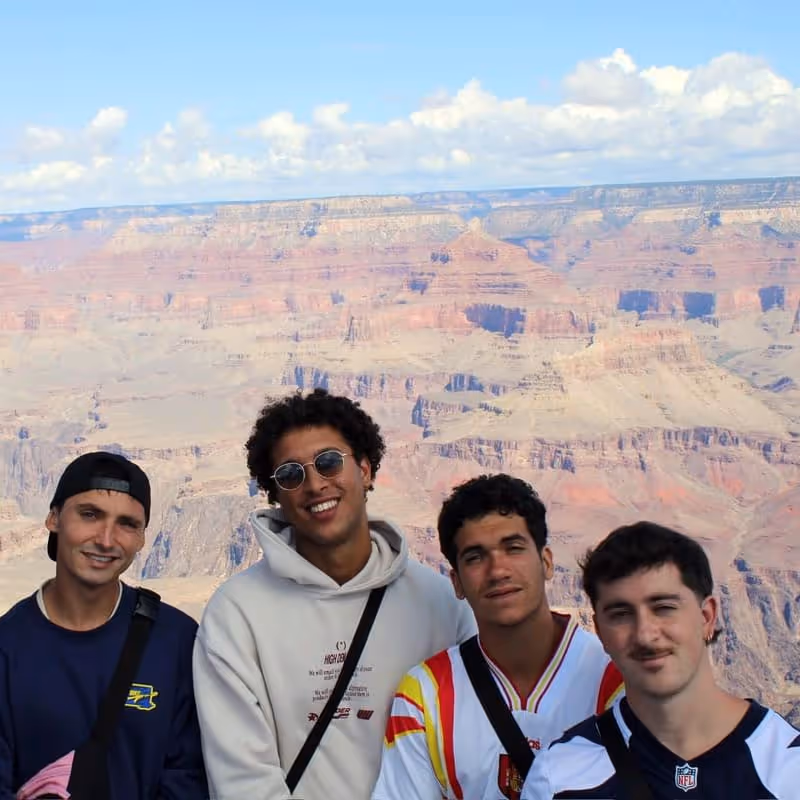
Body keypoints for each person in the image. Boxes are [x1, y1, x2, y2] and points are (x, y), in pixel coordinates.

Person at [193, 388, 475, 800]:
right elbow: (243, 780)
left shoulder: (441, 605)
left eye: (328, 463)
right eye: (291, 474)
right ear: (276, 496)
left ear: (365, 470)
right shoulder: (236, 616)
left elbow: (470, 744)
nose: (314, 485)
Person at [372, 474, 624, 800]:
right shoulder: (424, 696)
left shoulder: (613, 682)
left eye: (513, 548)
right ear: (457, 582)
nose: (497, 570)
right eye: (475, 557)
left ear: (547, 563)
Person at [521, 521, 800, 800]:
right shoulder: (558, 776)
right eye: (621, 614)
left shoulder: (789, 767)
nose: (645, 634)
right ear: (599, 631)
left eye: (664, 608)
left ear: (707, 617)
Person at [0, 451, 207, 800]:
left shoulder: (176, 641)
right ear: (53, 518)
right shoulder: (7, 649)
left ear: (142, 538)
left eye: (127, 523)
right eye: (90, 515)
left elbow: (191, 776)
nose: (107, 540)